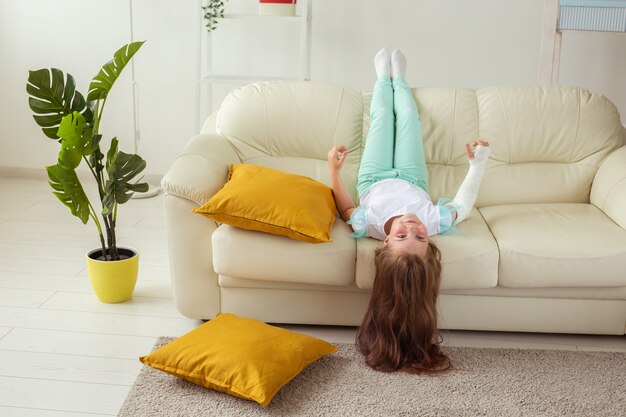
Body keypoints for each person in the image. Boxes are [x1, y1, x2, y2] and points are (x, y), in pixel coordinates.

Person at [327, 48, 491, 374]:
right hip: (413, 175)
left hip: (373, 176)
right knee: (409, 120)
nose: (412, 225)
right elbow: (463, 206)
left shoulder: (368, 225)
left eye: (403, 235)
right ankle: (399, 78)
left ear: (384, 243)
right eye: (420, 236)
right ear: (430, 242)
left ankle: (381, 80)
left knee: (381, 120)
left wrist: (333, 170)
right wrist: (478, 165)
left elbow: (345, 206)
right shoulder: (434, 220)